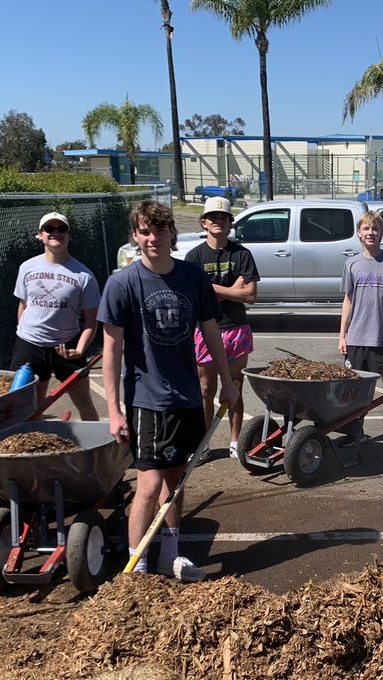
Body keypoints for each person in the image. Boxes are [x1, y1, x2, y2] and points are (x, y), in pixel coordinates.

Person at [99, 200, 238, 582]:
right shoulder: (122, 284)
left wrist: (227, 381)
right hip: (147, 399)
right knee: (148, 485)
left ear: (171, 234)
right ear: (135, 236)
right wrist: (113, 410)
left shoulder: (192, 277)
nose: (152, 238)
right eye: (144, 231)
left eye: (159, 231)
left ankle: (170, 556)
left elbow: (211, 331)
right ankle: (137, 570)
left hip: (188, 397)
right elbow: (110, 351)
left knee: (176, 478)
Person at [184, 196, 259, 460]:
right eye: (213, 218)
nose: (218, 221)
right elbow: (194, 296)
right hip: (204, 330)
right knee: (206, 390)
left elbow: (250, 295)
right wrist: (232, 289)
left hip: (235, 328)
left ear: (230, 223)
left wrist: (212, 290)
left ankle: (236, 441)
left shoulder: (242, 254)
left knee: (235, 387)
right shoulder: (193, 257)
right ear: (204, 223)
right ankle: (203, 443)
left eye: (223, 218)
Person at [11, 212, 101, 419]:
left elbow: (91, 321)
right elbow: (23, 305)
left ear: (69, 235)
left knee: (84, 401)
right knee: (27, 407)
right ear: (40, 235)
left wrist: (80, 350)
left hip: (66, 346)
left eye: (61, 229)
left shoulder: (83, 275)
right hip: (30, 345)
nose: (55, 233)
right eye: (49, 229)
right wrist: (24, 334)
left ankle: (95, 446)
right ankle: (30, 445)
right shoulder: (27, 267)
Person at [338, 210, 383, 452]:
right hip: (357, 337)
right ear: (359, 233)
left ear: (382, 233)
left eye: (375, 229)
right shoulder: (352, 263)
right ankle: (355, 430)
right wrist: (342, 335)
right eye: (366, 228)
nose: (371, 233)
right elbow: (347, 300)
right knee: (355, 388)